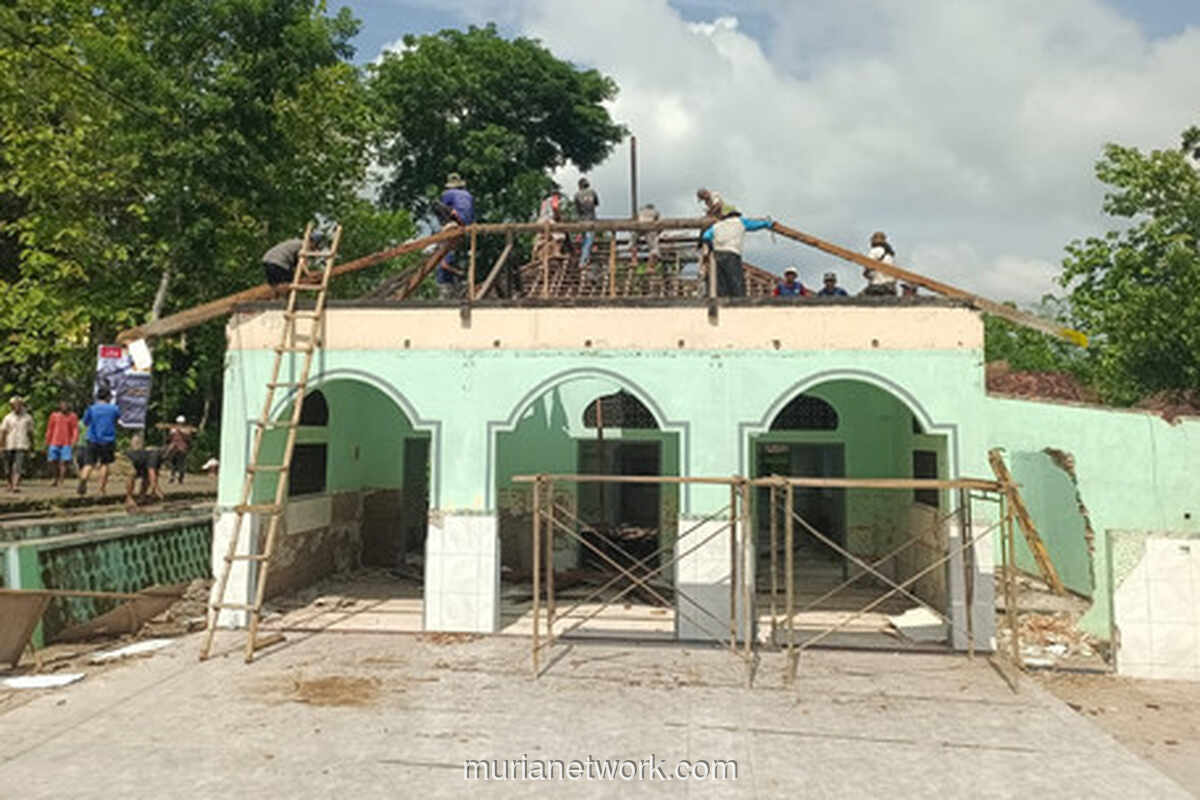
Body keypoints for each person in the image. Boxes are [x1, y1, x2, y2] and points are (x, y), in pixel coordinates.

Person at [699, 206, 772, 297]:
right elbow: (755, 225)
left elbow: (705, 236)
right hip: (732, 254)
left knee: (721, 281)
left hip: (718, 254)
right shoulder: (740, 222)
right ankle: (739, 302)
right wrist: (767, 224)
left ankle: (722, 301)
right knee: (735, 279)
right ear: (735, 214)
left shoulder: (716, 226)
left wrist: (711, 247)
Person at [435, 172, 475, 299]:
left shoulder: (448, 194)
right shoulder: (469, 195)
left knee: (436, 204)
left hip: (457, 221)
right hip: (467, 223)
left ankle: (448, 224)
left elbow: (444, 264)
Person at [78, 387, 120, 496]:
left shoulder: (91, 409)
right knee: (105, 464)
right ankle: (101, 489)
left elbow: (85, 423)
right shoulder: (114, 409)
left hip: (92, 439)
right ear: (108, 397)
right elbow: (116, 421)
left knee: (89, 464)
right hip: (108, 440)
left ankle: (83, 479)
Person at [261, 230, 325, 299]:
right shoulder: (304, 246)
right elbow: (302, 262)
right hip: (279, 262)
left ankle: (275, 301)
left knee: (276, 284)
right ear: (313, 243)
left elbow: (297, 264)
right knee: (289, 283)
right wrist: (308, 273)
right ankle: (286, 301)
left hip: (268, 260)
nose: (314, 250)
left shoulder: (296, 243)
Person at [0, 396, 34, 493]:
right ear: (12, 406)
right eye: (15, 405)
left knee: (19, 465)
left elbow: (30, 432)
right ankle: (9, 483)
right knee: (8, 466)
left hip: (22, 444)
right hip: (9, 444)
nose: (17, 407)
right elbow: (3, 432)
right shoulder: (8, 418)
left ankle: (15, 485)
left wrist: (32, 444)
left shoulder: (28, 418)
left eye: (19, 404)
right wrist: (1, 445)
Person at [123, 433, 165, 511]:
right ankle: (129, 498)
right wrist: (157, 489)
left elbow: (154, 474)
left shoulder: (156, 455)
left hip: (141, 463)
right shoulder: (155, 455)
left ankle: (142, 496)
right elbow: (151, 472)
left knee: (146, 477)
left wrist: (154, 489)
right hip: (132, 460)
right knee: (131, 474)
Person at [44, 400, 79, 487]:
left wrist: (74, 441)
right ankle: (55, 477)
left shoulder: (72, 416)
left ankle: (61, 480)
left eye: (65, 405)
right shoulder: (54, 416)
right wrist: (47, 440)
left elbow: (75, 429)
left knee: (64, 462)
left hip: (66, 442)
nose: (64, 407)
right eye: (62, 405)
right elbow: (50, 428)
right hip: (54, 441)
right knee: (52, 461)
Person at [862, 231, 897, 296]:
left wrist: (866, 272)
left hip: (878, 285)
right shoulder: (890, 254)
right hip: (890, 286)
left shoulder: (874, 251)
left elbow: (867, 266)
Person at [574, 178, 599, 265]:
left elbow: (577, 209)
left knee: (585, 240)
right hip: (591, 220)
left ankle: (584, 258)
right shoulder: (593, 192)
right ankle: (583, 261)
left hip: (582, 221)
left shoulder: (577, 195)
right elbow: (596, 203)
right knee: (588, 241)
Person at [164, 415, 192, 484]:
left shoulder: (187, 429)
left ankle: (180, 478)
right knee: (172, 463)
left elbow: (188, 439)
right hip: (174, 446)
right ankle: (172, 477)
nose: (180, 424)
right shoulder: (173, 428)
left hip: (182, 448)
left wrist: (181, 432)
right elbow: (169, 438)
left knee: (181, 464)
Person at [636, 203, 662, 275]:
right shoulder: (655, 212)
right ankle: (650, 267)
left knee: (633, 241)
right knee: (654, 249)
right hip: (651, 228)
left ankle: (633, 259)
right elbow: (659, 223)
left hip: (640, 227)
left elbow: (637, 220)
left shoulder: (641, 211)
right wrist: (658, 232)